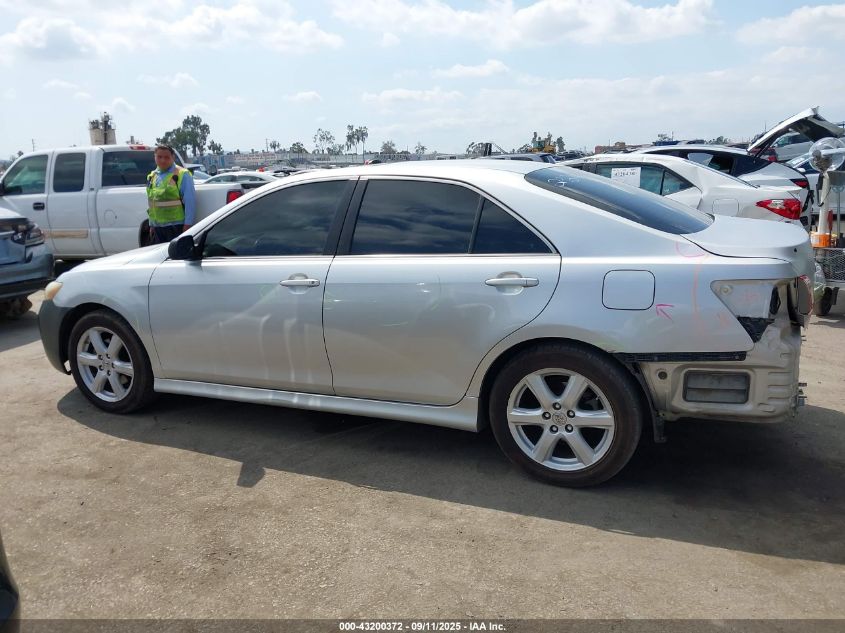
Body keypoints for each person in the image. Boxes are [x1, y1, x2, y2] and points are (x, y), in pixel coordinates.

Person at [146, 144, 196, 244]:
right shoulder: (152, 176)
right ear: (155, 157)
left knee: (176, 258)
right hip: (157, 227)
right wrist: (151, 224)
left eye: (166, 157)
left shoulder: (182, 174)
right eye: (159, 157)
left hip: (176, 227)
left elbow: (190, 201)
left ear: (173, 157)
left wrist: (187, 225)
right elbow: (152, 203)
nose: (163, 160)